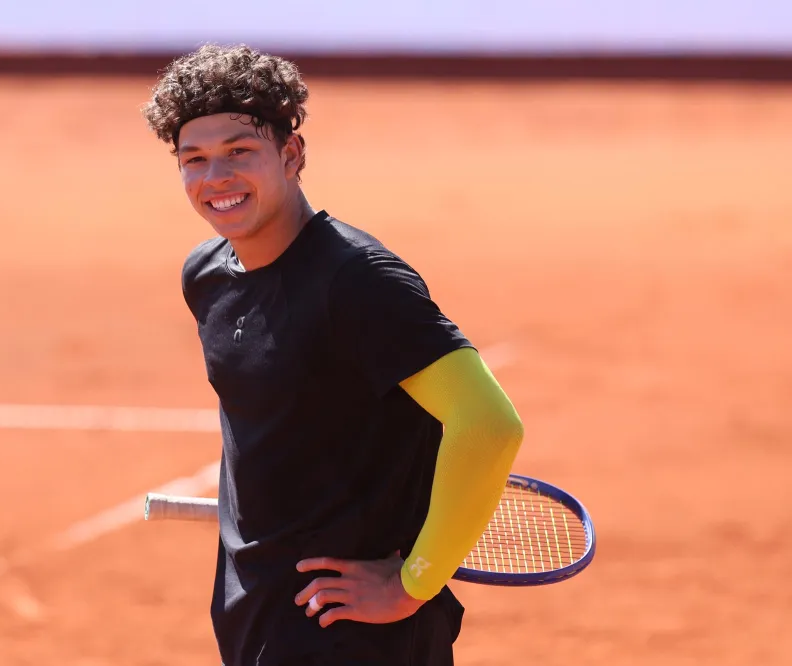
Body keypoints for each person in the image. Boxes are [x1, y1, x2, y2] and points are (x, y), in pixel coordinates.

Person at [141, 44, 525, 666]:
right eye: (195, 159)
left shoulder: (357, 282)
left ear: (291, 155)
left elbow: (487, 423)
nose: (216, 179)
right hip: (258, 607)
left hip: (350, 629)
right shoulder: (207, 276)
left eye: (240, 152)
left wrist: (413, 584)